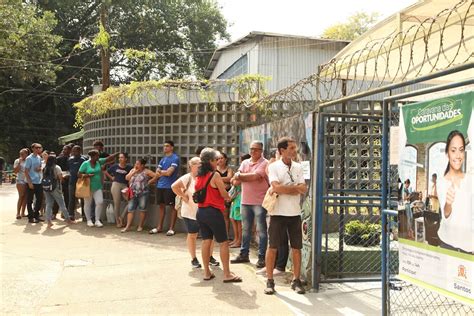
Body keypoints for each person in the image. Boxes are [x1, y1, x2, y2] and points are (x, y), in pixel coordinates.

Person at [265, 137, 307, 295]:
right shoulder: (274, 166)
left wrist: (287, 188)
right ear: (282, 150)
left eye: (295, 148)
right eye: (291, 148)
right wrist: (294, 188)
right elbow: (276, 188)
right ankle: (270, 281)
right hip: (277, 213)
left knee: (297, 248)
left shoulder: (298, 167)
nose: (294, 151)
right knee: (273, 247)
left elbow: (304, 188)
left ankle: (296, 280)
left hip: (295, 213)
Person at [195, 148, 241, 282]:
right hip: (213, 212)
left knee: (206, 241)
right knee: (223, 243)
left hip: (201, 212)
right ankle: (227, 274)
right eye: (216, 160)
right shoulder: (214, 175)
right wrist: (229, 197)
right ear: (210, 161)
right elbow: (223, 194)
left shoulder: (199, 175)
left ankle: (207, 272)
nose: (218, 162)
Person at [230, 141, 269, 269]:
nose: (253, 151)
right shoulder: (245, 162)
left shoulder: (265, 163)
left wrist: (240, 175)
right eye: (251, 149)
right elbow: (235, 181)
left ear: (261, 151)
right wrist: (240, 177)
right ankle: (244, 254)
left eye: (256, 149)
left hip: (259, 202)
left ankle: (262, 257)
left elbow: (255, 177)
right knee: (245, 229)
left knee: (261, 230)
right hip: (245, 201)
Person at [437, 130, 472, 253]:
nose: (458, 155)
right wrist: (448, 203)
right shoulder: (442, 182)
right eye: (453, 150)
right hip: (448, 245)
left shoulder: (470, 179)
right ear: (447, 154)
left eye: (461, 150)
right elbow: (446, 214)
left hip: (469, 249)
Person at [78, 150, 117, 227]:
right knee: (87, 204)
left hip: (98, 186)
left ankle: (97, 220)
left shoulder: (99, 162)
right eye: (97, 156)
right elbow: (79, 174)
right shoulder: (85, 164)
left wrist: (117, 153)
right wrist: (87, 175)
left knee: (99, 202)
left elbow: (109, 158)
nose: (98, 157)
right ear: (92, 157)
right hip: (88, 187)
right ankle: (89, 220)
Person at [149, 140, 180, 236]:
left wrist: (162, 172)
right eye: (164, 146)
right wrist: (163, 172)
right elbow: (159, 172)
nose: (165, 148)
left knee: (172, 207)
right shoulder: (163, 159)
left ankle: (171, 229)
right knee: (161, 206)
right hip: (160, 185)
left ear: (172, 147)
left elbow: (169, 173)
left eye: (167, 146)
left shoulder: (175, 158)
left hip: (170, 186)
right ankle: (159, 227)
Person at [122, 158, 156, 232]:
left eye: (138, 164)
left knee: (142, 209)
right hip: (133, 193)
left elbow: (156, 176)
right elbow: (127, 178)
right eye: (135, 164)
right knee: (130, 209)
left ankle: (140, 226)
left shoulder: (147, 171)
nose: (136, 165)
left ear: (142, 165)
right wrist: (134, 172)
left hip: (143, 193)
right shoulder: (133, 170)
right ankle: (127, 226)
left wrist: (150, 181)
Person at [42, 154, 74, 228]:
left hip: (46, 187)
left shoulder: (45, 168)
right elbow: (60, 178)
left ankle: (49, 221)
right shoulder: (56, 167)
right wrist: (65, 176)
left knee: (49, 204)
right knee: (62, 204)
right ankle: (68, 219)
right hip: (55, 187)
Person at [105, 153, 133, 227]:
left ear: (126, 159)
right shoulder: (115, 166)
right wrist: (111, 177)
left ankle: (122, 217)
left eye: (122, 157)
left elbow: (132, 174)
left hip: (124, 185)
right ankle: (118, 222)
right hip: (116, 184)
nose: (120, 159)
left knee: (131, 201)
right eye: (119, 157)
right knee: (117, 203)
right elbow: (106, 171)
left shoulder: (129, 167)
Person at [229, 154, 250, 249]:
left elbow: (235, 181)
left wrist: (234, 179)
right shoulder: (241, 171)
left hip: (241, 197)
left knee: (239, 221)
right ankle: (236, 239)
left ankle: (239, 241)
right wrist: (234, 179)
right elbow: (232, 180)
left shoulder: (246, 172)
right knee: (234, 219)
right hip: (236, 198)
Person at [25, 143, 44, 223]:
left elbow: (40, 167)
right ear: (32, 148)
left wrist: (39, 168)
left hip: (38, 181)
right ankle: (30, 217)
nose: (38, 149)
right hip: (31, 181)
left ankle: (36, 215)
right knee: (29, 200)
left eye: (40, 147)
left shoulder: (39, 157)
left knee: (39, 199)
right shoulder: (29, 158)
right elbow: (26, 171)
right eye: (37, 148)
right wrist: (29, 183)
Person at [216, 152, 234, 236]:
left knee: (225, 216)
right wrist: (224, 181)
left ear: (225, 159)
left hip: (226, 195)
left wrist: (217, 179)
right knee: (216, 216)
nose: (220, 160)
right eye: (218, 158)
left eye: (221, 158)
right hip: (216, 195)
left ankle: (225, 235)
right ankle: (217, 234)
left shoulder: (229, 169)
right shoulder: (214, 169)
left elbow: (230, 178)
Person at [67, 146, 87, 221]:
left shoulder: (84, 160)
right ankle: (71, 214)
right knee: (71, 199)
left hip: (81, 182)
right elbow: (69, 169)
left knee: (83, 199)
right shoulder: (70, 160)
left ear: (79, 151)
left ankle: (84, 215)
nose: (74, 153)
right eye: (73, 151)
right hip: (72, 182)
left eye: (75, 151)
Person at [54, 145, 72, 219]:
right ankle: (54, 213)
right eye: (63, 149)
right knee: (57, 197)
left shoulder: (72, 159)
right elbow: (54, 168)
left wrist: (68, 175)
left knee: (67, 197)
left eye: (66, 149)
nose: (64, 151)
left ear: (70, 151)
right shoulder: (58, 159)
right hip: (59, 180)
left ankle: (64, 213)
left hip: (69, 180)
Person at [14, 148, 30, 219]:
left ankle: (23, 212)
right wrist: (19, 163)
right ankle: (18, 213)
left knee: (26, 197)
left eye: (22, 154)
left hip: (28, 180)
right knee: (21, 195)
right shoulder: (17, 161)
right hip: (20, 180)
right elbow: (15, 171)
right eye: (20, 154)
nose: (21, 155)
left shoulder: (29, 160)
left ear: (27, 154)